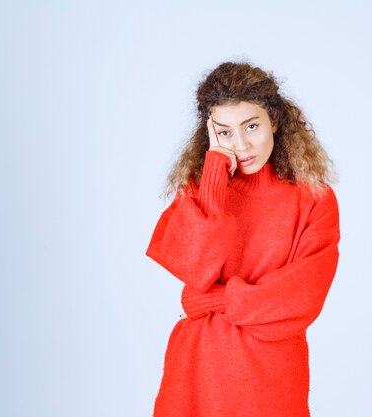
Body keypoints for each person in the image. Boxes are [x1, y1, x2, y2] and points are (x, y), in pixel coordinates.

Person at [145, 60, 341, 417]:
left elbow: (300, 298)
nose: (241, 144)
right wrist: (215, 175)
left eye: (251, 126)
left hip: (272, 375)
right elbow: (195, 268)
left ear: (275, 121)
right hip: (198, 369)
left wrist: (214, 299)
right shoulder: (201, 189)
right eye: (224, 132)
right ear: (210, 132)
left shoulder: (313, 198)